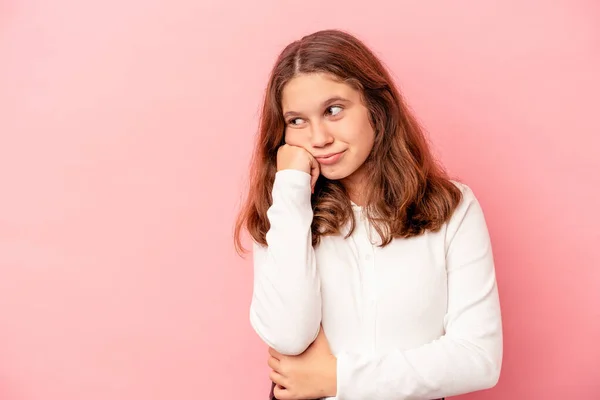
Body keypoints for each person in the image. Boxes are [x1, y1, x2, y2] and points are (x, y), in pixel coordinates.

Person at [234, 29, 503, 400]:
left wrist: (338, 379)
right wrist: (292, 190)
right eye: (296, 120)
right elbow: (288, 334)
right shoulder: (284, 210)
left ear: (377, 108)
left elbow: (477, 359)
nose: (318, 138)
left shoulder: (452, 206)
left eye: (333, 110)